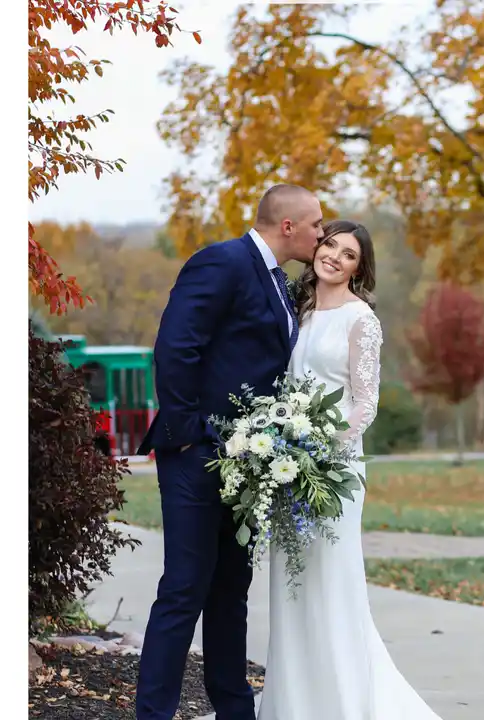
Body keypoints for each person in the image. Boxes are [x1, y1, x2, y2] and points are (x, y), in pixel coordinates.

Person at [136, 184, 325, 720]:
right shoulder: (222, 261)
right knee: (184, 590)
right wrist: (190, 431)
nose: (321, 232)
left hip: (247, 462)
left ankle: (235, 710)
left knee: (229, 590)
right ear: (287, 226)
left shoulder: (281, 284)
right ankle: (153, 714)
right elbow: (176, 345)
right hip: (196, 456)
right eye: (315, 223)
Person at [255, 219, 443, 719]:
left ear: (360, 269)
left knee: (331, 584)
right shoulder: (297, 309)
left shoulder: (362, 320)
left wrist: (318, 443)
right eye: (331, 244)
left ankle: (343, 704)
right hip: (286, 465)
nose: (335, 256)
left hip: (332, 470)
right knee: (290, 586)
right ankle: (293, 704)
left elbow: (366, 406)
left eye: (350, 254)